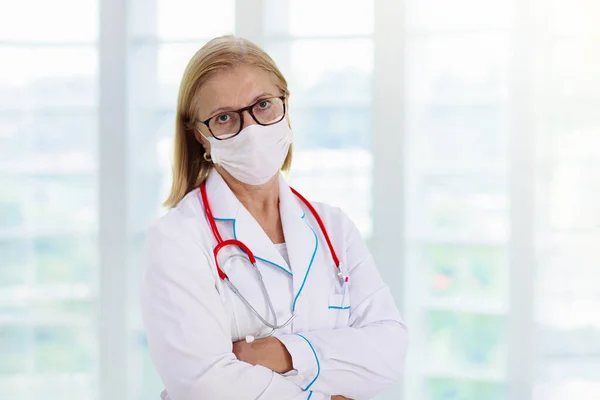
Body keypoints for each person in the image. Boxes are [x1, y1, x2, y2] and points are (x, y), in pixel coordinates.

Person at [141, 35, 408, 400]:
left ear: (286, 104)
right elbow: (204, 383)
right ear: (201, 137)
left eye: (263, 105)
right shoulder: (177, 240)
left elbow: (388, 351)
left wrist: (283, 353)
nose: (250, 129)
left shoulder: (334, 228)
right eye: (224, 118)